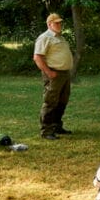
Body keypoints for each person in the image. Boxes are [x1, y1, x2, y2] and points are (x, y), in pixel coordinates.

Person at [33, 12, 74, 140]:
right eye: (56, 23)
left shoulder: (60, 37)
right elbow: (37, 57)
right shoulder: (45, 37)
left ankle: (56, 126)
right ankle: (46, 130)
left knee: (62, 101)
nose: (59, 24)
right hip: (54, 74)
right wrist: (49, 73)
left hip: (64, 74)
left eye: (60, 22)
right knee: (50, 102)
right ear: (49, 24)